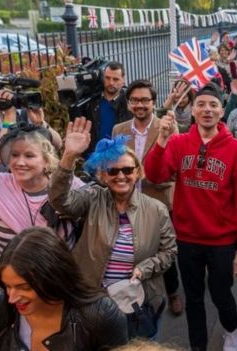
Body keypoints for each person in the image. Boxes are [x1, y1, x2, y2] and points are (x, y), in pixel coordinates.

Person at [143, 83, 237, 351]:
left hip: (222, 241)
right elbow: (155, 175)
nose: (207, 110)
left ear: (222, 110)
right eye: (201, 104)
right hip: (188, 238)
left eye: (213, 105)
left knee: (221, 294)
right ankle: (198, 346)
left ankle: (230, 331)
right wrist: (161, 141)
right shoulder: (179, 143)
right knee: (192, 298)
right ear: (192, 110)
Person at [49, 119, 177, 337]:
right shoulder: (91, 198)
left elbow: (169, 252)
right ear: (103, 175)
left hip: (138, 301)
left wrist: (144, 268)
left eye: (127, 169)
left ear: (137, 172)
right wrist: (69, 156)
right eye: (113, 171)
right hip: (94, 301)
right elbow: (60, 200)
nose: (120, 176)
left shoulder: (156, 209)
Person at [0, 226, 128, 350]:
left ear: (53, 278)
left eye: (24, 287)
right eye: (7, 286)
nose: (11, 298)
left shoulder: (100, 316)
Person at [111, 80, 182, 316]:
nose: (139, 105)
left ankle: (172, 292)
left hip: (159, 201)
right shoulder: (119, 130)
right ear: (129, 103)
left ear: (153, 103)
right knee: (133, 249)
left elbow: (174, 170)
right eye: (135, 100)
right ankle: (133, 293)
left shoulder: (168, 128)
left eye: (144, 100)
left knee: (164, 251)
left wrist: (148, 174)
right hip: (126, 202)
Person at [0, 124, 82, 261]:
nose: (20, 162)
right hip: (13, 278)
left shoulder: (68, 185)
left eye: (29, 156)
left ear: (46, 160)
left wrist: (70, 155)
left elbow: (102, 207)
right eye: (14, 155)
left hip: (60, 275)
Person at [0, 65, 61, 173]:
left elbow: (57, 145)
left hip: (32, 180)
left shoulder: (21, 114)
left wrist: (41, 123)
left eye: (1, 88)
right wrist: (9, 118)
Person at [82, 61, 132, 154]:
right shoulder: (91, 101)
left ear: (123, 80)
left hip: (120, 155)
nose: (111, 83)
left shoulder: (130, 102)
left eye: (115, 79)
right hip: (95, 155)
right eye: (107, 78)